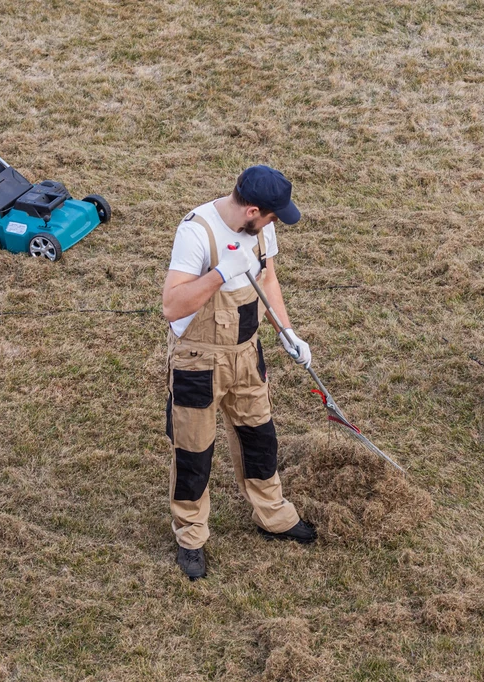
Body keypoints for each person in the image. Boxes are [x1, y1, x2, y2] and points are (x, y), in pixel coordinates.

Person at [161, 165, 318, 580]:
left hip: (247, 354)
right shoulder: (197, 233)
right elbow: (172, 307)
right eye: (270, 216)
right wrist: (218, 274)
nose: (274, 224)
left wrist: (288, 332)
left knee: (259, 439)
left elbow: (269, 278)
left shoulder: (260, 230)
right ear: (252, 210)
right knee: (194, 453)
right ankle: (191, 537)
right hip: (198, 360)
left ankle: (274, 517)